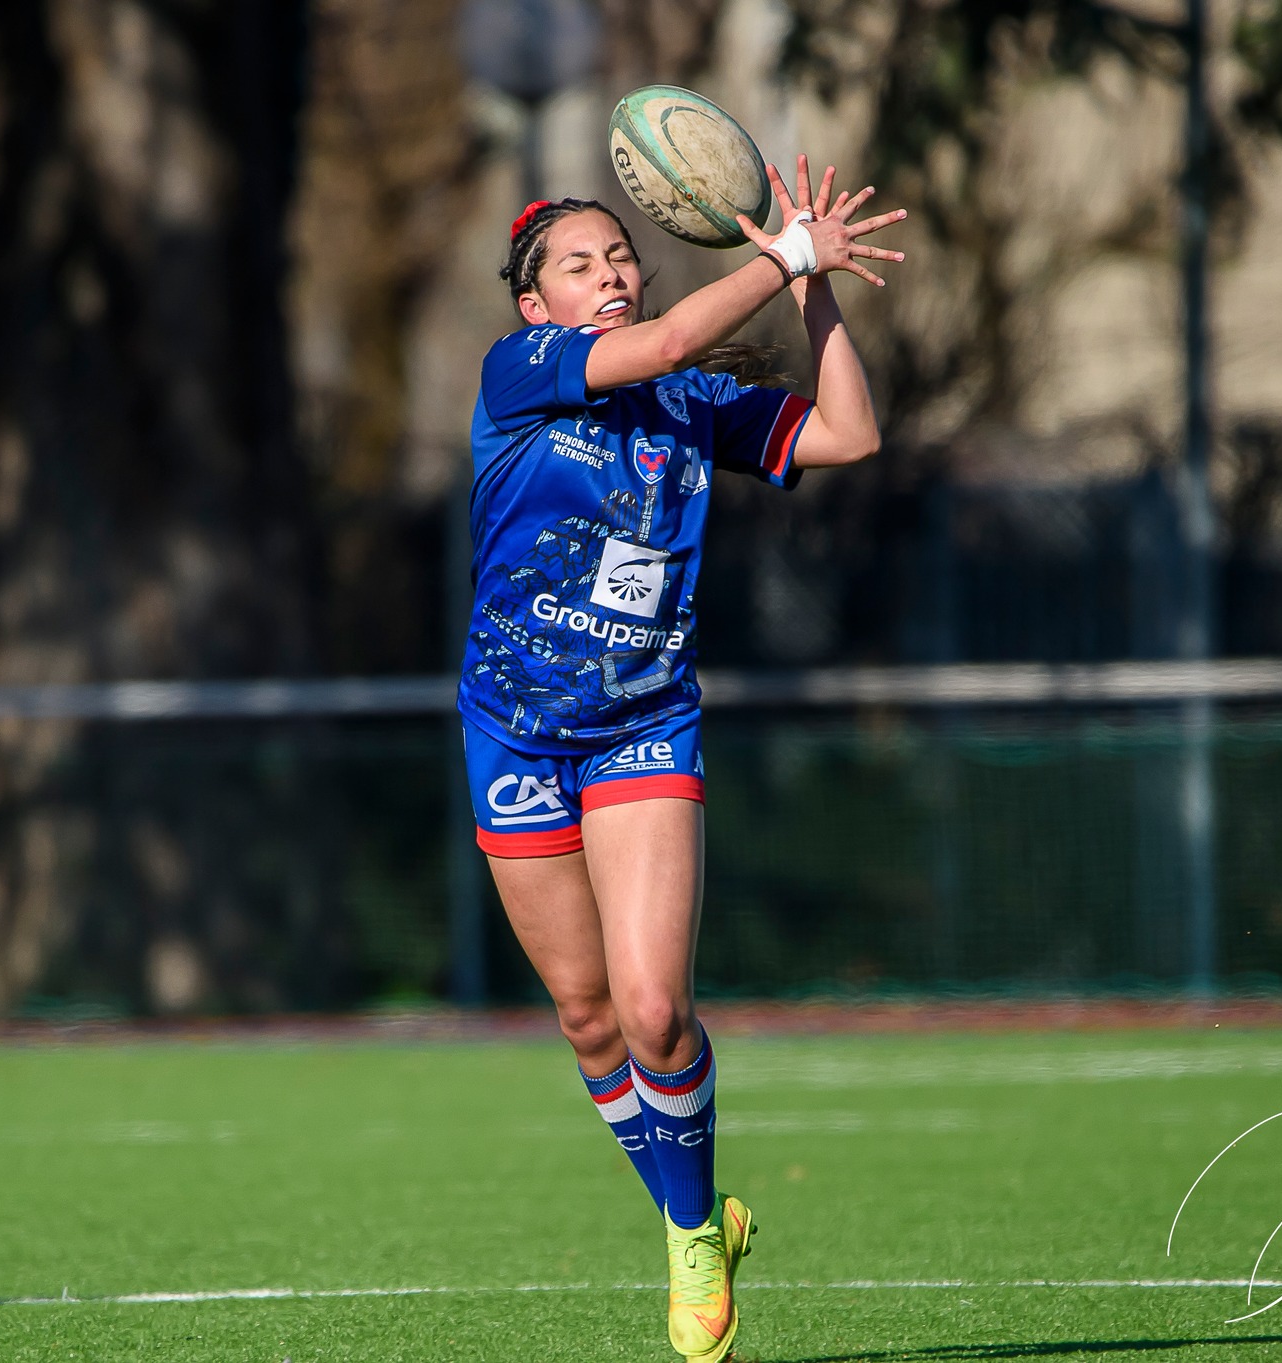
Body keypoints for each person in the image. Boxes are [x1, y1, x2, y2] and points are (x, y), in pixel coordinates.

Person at [458, 157, 904, 1363]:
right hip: (514, 729)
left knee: (655, 1010)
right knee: (587, 1015)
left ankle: (692, 1232)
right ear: (535, 306)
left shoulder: (692, 400)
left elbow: (851, 433)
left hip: (641, 726)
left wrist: (814, 289)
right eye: (577, 266)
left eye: (619, 258)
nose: (607, 275)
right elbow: (651, 350)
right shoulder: (521, 379)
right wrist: (784, 254)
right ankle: (690, 1204)